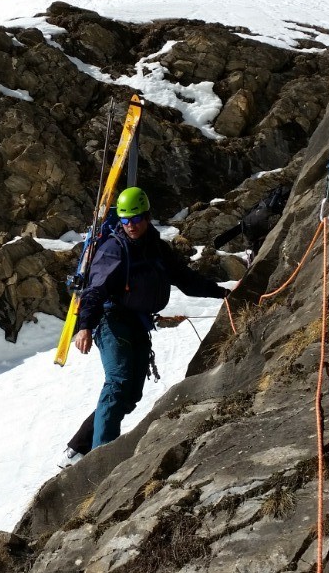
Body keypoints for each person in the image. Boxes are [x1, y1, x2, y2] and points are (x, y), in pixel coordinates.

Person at [61, 186, 229, 465]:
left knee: (130, 393)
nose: (130, 225)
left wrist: (224, 293)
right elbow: (95, 291)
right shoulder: (114, 249)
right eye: (125, 220)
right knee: (118, 383)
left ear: (147, 217)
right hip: (110, 319)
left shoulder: (157, 248)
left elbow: (187, 281)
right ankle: (102, 458)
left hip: (136, 322)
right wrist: (85, 326)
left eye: (136, 219)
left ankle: (78, 448)